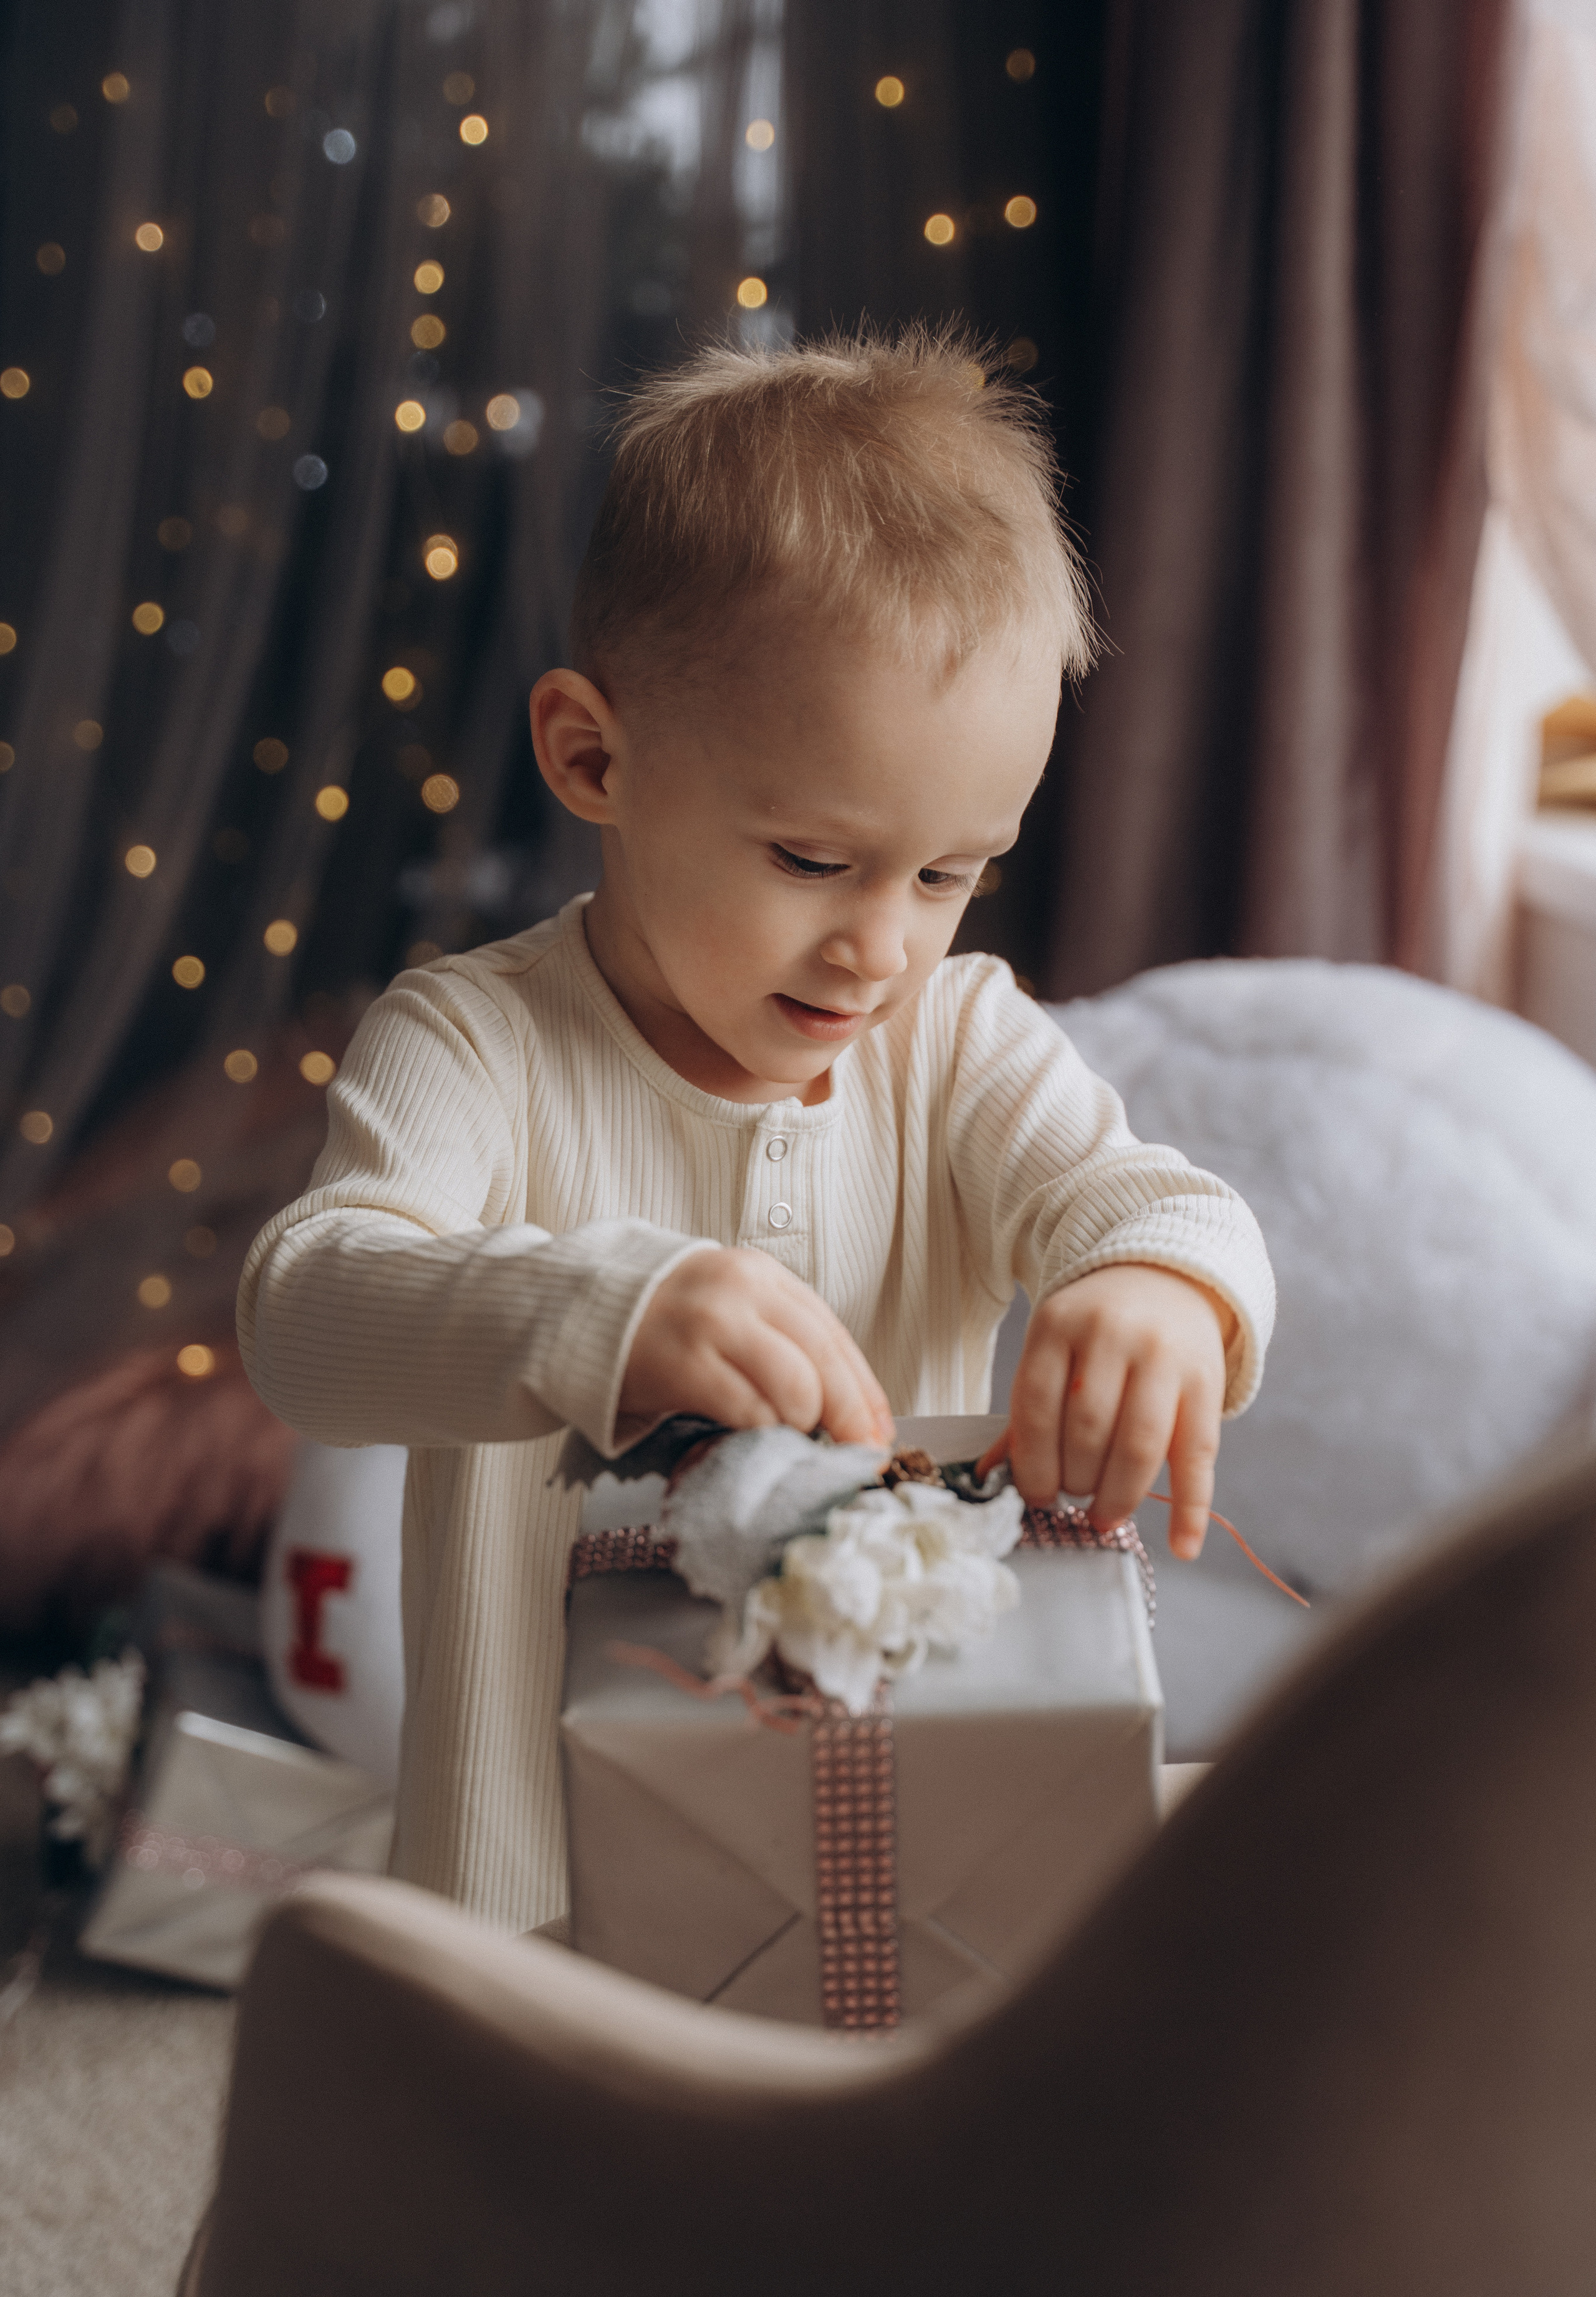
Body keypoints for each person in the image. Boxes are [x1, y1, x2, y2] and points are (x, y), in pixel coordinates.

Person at [239, 329, 1276, 1932]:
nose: (882, 945)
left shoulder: (954, 1039)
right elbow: (308, 1311)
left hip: (884, 1825)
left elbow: (1145, 1198)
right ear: (594, 756)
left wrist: (1158, 1285)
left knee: (879, 2157)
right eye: (812, 857)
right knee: (554, 2181)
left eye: (947, 874)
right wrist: (605, 1308)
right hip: (537, 1879)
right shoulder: (473, 1041)